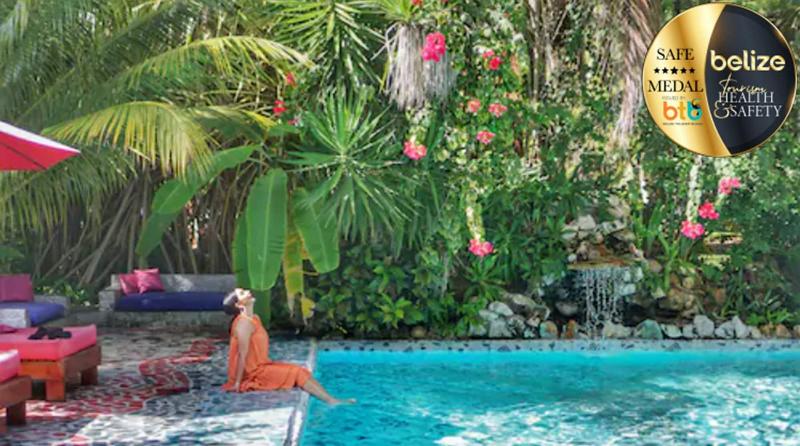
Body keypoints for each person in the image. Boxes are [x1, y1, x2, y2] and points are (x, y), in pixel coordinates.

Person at [222, 288, 354, 405]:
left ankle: (330, 399)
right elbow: (242, 354)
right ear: (239, 305)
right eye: (242, 293)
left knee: (300, 371)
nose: (247, 292)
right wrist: (237, 383)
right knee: (297, 373)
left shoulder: (254, 318)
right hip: (253, 373)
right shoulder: (244, 324)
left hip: (262, 365)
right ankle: (331, 401)